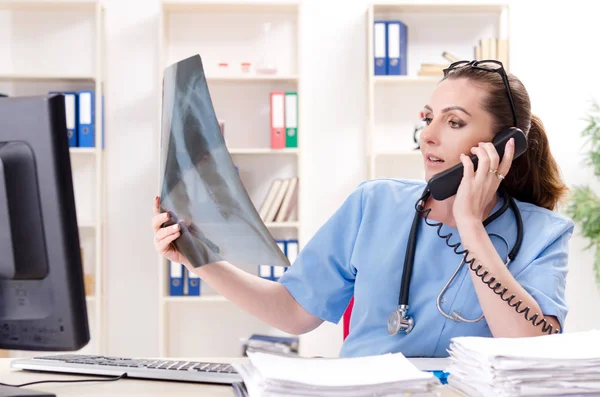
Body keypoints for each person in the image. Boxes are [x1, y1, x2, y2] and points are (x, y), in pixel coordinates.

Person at [152, 60, 574, 358]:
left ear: (506, 145)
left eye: (454, 122)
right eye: (428, 118)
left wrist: (470, 224)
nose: (428, 135)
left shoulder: (543, 234)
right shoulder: (375, 204)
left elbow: (530, 351)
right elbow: (294, 313)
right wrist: (199, 257)